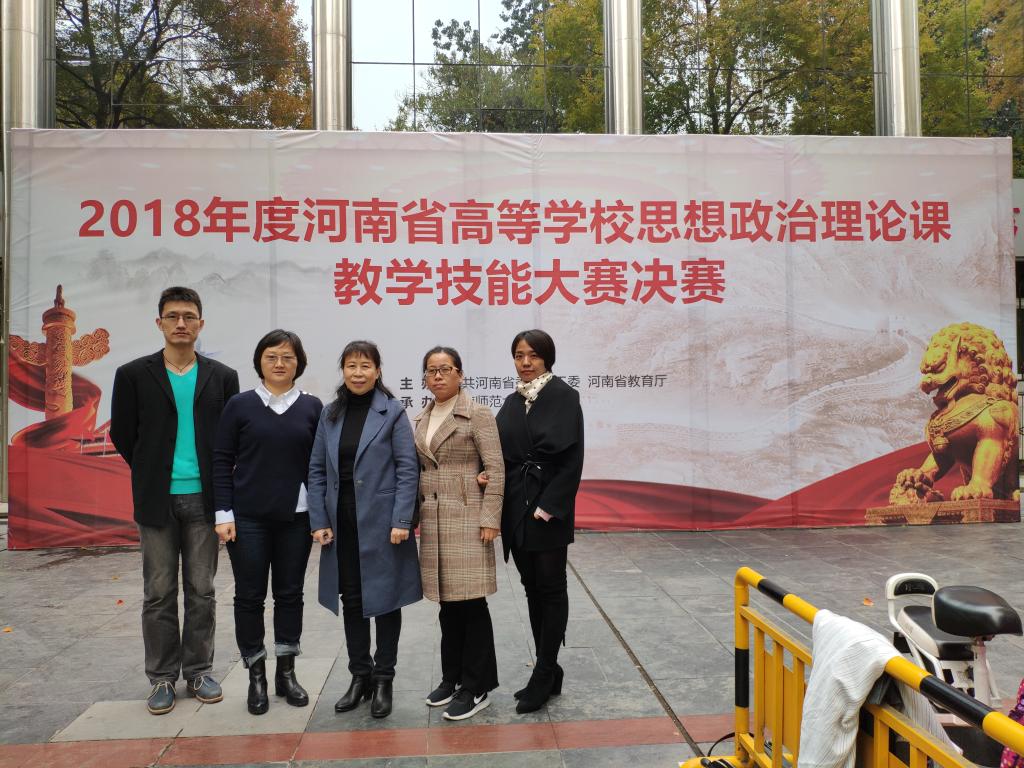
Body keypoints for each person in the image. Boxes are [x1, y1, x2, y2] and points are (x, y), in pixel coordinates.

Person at [110, 286, 239, 715]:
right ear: (159, 323)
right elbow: (123, 434)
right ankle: (162, 677)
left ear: (201, 323)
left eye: (188, 316)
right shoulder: (133, 374)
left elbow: (230, 439)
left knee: (202, 590)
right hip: (156, 501)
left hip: (205, 499)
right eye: (172, 316)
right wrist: (152, 470)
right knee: (158, 592)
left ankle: (199, 670)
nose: (181, 323)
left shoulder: (222, 377)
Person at [307, 340, 422, 719]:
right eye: (351, 366)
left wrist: (401, 520)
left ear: (377, 371)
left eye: (365, 366)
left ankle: (384, 678)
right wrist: (319, 520)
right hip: (341, 525)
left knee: (386, 600)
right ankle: (360, 676)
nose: (358, 373)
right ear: (343, 370)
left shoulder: (393, 412)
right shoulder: (330, 414)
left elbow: (408, 469)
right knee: (352, 600)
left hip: (383, 525)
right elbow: (317, 470)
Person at [212, 330, 322, 715]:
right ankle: (256, 675)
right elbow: (221, 460)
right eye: (272, 356)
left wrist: (320, 516)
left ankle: (286, 673)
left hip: (296, 518)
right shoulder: (240, 405)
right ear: (259, 360)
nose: (279, 363)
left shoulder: (312, 407)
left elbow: (318, 466)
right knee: (249, 596)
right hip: (248, 518)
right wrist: (223, 513)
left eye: (288, 357)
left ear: (299, 363)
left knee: (290, 594)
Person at [495, 329, 584, 714]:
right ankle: (549, 669)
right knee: (531, 587)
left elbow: (572, 461)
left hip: (547, 509)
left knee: (551, 587)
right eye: (519, 355)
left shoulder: (564, 396)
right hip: (516, 507)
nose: (526, 362)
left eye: (533, 355)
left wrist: (549, 505)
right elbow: (500, 454)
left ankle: (545, 670)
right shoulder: (512, 401)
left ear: (547, 357)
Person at [413, 346, 505, 721]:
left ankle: (476, 686)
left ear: (460, 374)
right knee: (448, 605)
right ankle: (451, 678)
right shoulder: (422, 416)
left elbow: (495, 469)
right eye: (431, 370)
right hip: (434, 521)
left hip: (468, 518)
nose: (437, 376)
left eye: (445, 369)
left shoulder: (477, 413)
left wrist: (490, 518)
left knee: (471, 603)